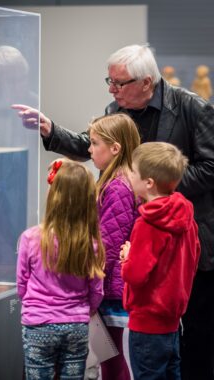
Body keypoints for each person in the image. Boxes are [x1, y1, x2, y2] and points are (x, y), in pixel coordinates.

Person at [12, 43, 214, 380]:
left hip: (186, 241)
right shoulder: (116, 108)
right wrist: (50, 129)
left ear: (146, 83)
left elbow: (211, 167)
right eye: (110, 81)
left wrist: (156, 188)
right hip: (143, 249)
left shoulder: (192, 107)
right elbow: (92, 144)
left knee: (195, 340)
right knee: (154, 351)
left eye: (119, 83)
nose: (111, 89)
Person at [16, 159, 105, 380]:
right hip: (76, 325)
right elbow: (97, 291)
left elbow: (21, 285)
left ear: (53, 195)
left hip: (38, 325)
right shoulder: (91, 243)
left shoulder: (31, 237)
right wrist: (86, 310)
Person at [120, 142, 201, 379]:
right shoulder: (187, 218)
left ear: (149, 183)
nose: (128, 174)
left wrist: (127, 257)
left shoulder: (146, 224)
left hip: (146, 324)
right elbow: (193, 261)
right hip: (173, 323)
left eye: (132, 171)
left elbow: (134, 275)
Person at [87, 113, 140, 380]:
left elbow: (108, 244)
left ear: (115, 148)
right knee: (110, 357)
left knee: (112, 359)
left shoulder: (117, 187)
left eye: (95, 143)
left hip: (110, 288)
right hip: (110, 287)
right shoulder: (116, 181)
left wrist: (92, 286)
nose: (89, 149)